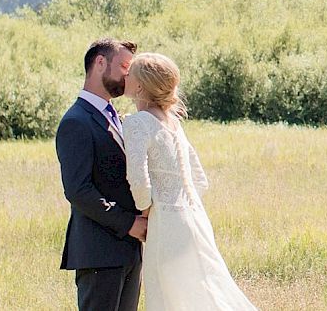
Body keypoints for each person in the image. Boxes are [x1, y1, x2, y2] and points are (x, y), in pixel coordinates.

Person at [121, 53, 257, 310]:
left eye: (130, 74)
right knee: (203, 289)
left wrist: (146, 210)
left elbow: (138, 178)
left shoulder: (138, 123)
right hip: (194, 216)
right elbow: (200, 179)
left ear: (139, 85)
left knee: (168, 295)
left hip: (164, 220)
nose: (124, 76)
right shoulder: (172, 122)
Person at [56, 38, 150, 311]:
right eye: (124, 66)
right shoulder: (76, 122)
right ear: (99, 63)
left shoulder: (117, 117)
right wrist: (128, 223)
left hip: (129, 252)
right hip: (99, 254)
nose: (129, 74)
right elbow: (78, 190)